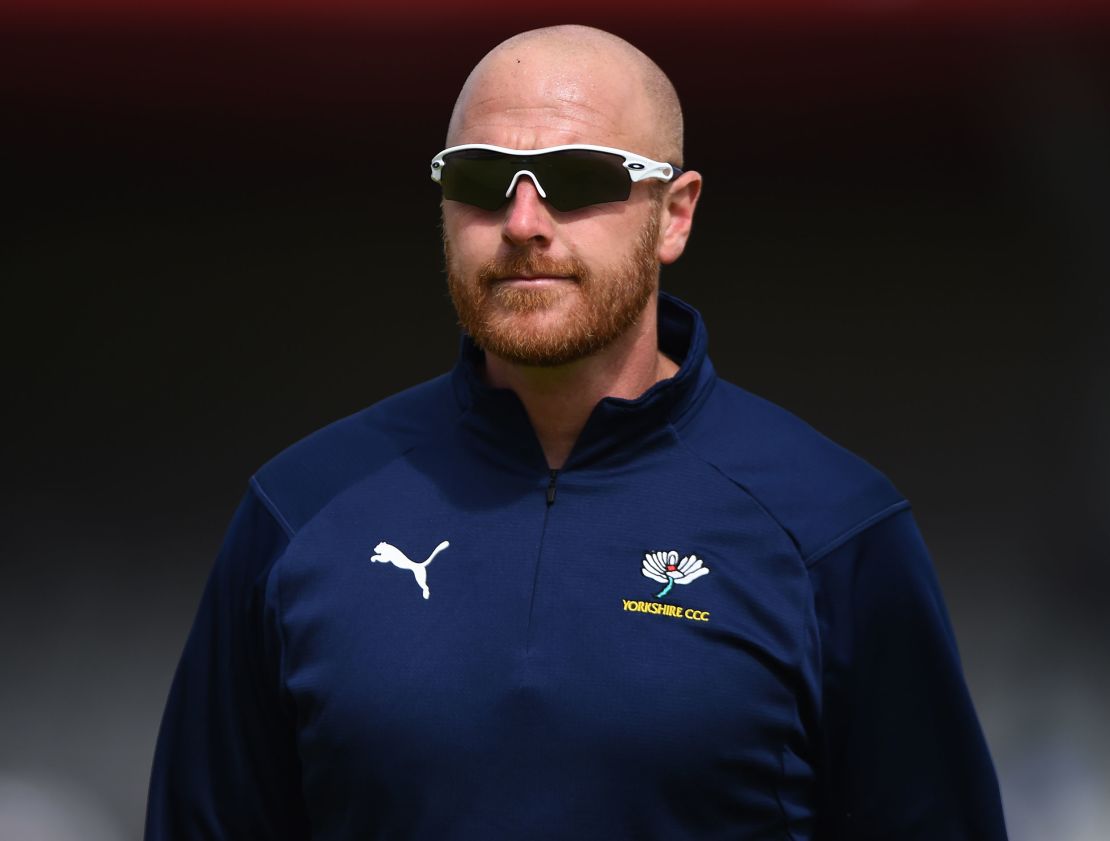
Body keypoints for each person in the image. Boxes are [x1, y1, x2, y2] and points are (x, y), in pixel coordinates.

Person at [145, 24, 1008, 840]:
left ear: (674, 213)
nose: (524, 223)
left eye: (579, 176)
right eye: (482, 180)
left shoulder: (834, 527)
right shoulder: (297, 512)